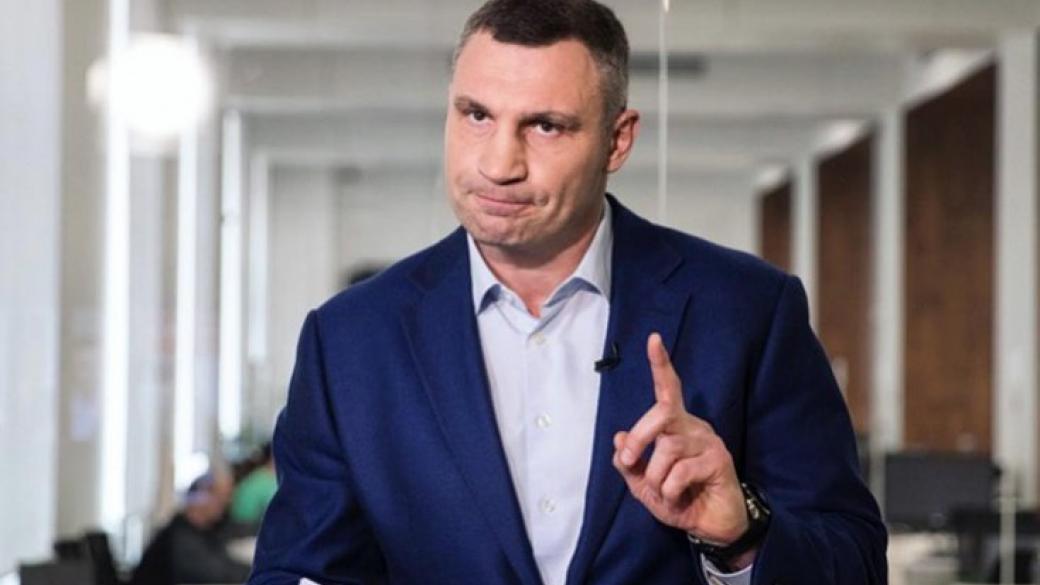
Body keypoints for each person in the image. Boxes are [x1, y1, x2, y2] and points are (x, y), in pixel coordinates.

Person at [249, 0, 887, 583]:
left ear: (618, 139)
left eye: (546, 126)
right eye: (476, 115)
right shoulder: (350, 341)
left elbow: (855, 564)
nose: (498, 164)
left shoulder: (747, 312)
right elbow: (299, 569)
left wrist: (740, 536)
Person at [131, 472, 252, 585]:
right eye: (220, 498)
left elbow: (237, 529)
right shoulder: (179, 537)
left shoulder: (208, 528)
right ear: (201, 497)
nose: (226, 503)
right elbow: (215, 573)